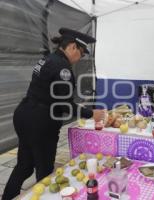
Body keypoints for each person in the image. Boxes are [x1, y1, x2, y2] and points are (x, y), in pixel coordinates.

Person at [2, 28, 106, 200]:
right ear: (72, 47)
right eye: (81, 53)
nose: (79, 59)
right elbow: (64, 104)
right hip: (40, 122)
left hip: (24, 114)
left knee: (25, 165)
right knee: (45, 171)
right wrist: (90, 114)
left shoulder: (47, 59)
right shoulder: (62, 68)